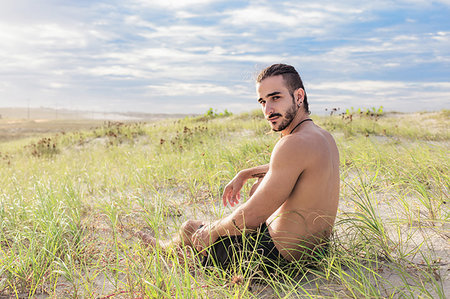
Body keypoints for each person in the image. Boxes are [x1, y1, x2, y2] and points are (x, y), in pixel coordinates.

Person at [138, 63, 340, 271]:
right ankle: (189, 253)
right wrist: (246, 173)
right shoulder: (322, 137)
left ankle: (168, 251)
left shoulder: (292, 143)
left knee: (191, 228)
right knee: (257, 187)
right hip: (316, 253)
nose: (268, 110)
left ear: (299, 96)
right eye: (263, 101)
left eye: (275, 98)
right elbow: (291, 167)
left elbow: (251, 217)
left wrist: (213, 230)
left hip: (275, 260)